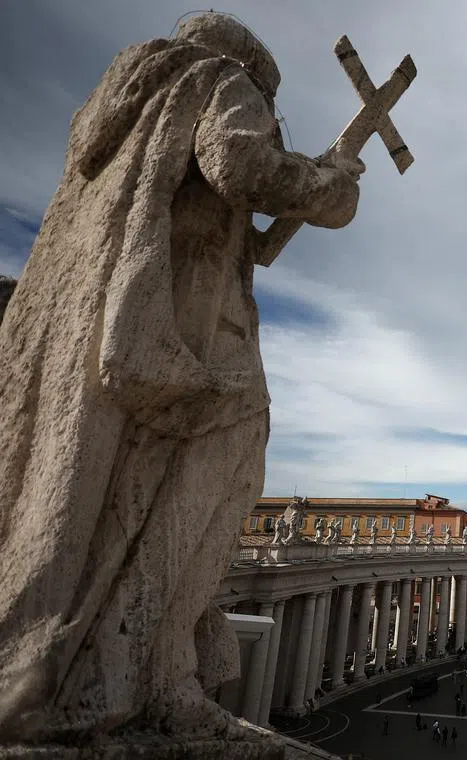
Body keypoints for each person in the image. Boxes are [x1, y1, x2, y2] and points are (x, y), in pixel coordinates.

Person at [0, 11, 362, 744]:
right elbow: (240, 165)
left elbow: (247, 237)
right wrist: (334, 186)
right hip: (191, 325)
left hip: (109, 321)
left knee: (109, 488)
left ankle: (107, 663)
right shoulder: (221, 80)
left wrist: (308, 186)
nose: (270, 119)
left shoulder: (124, 104)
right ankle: (143, 669)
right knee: (225, 460)